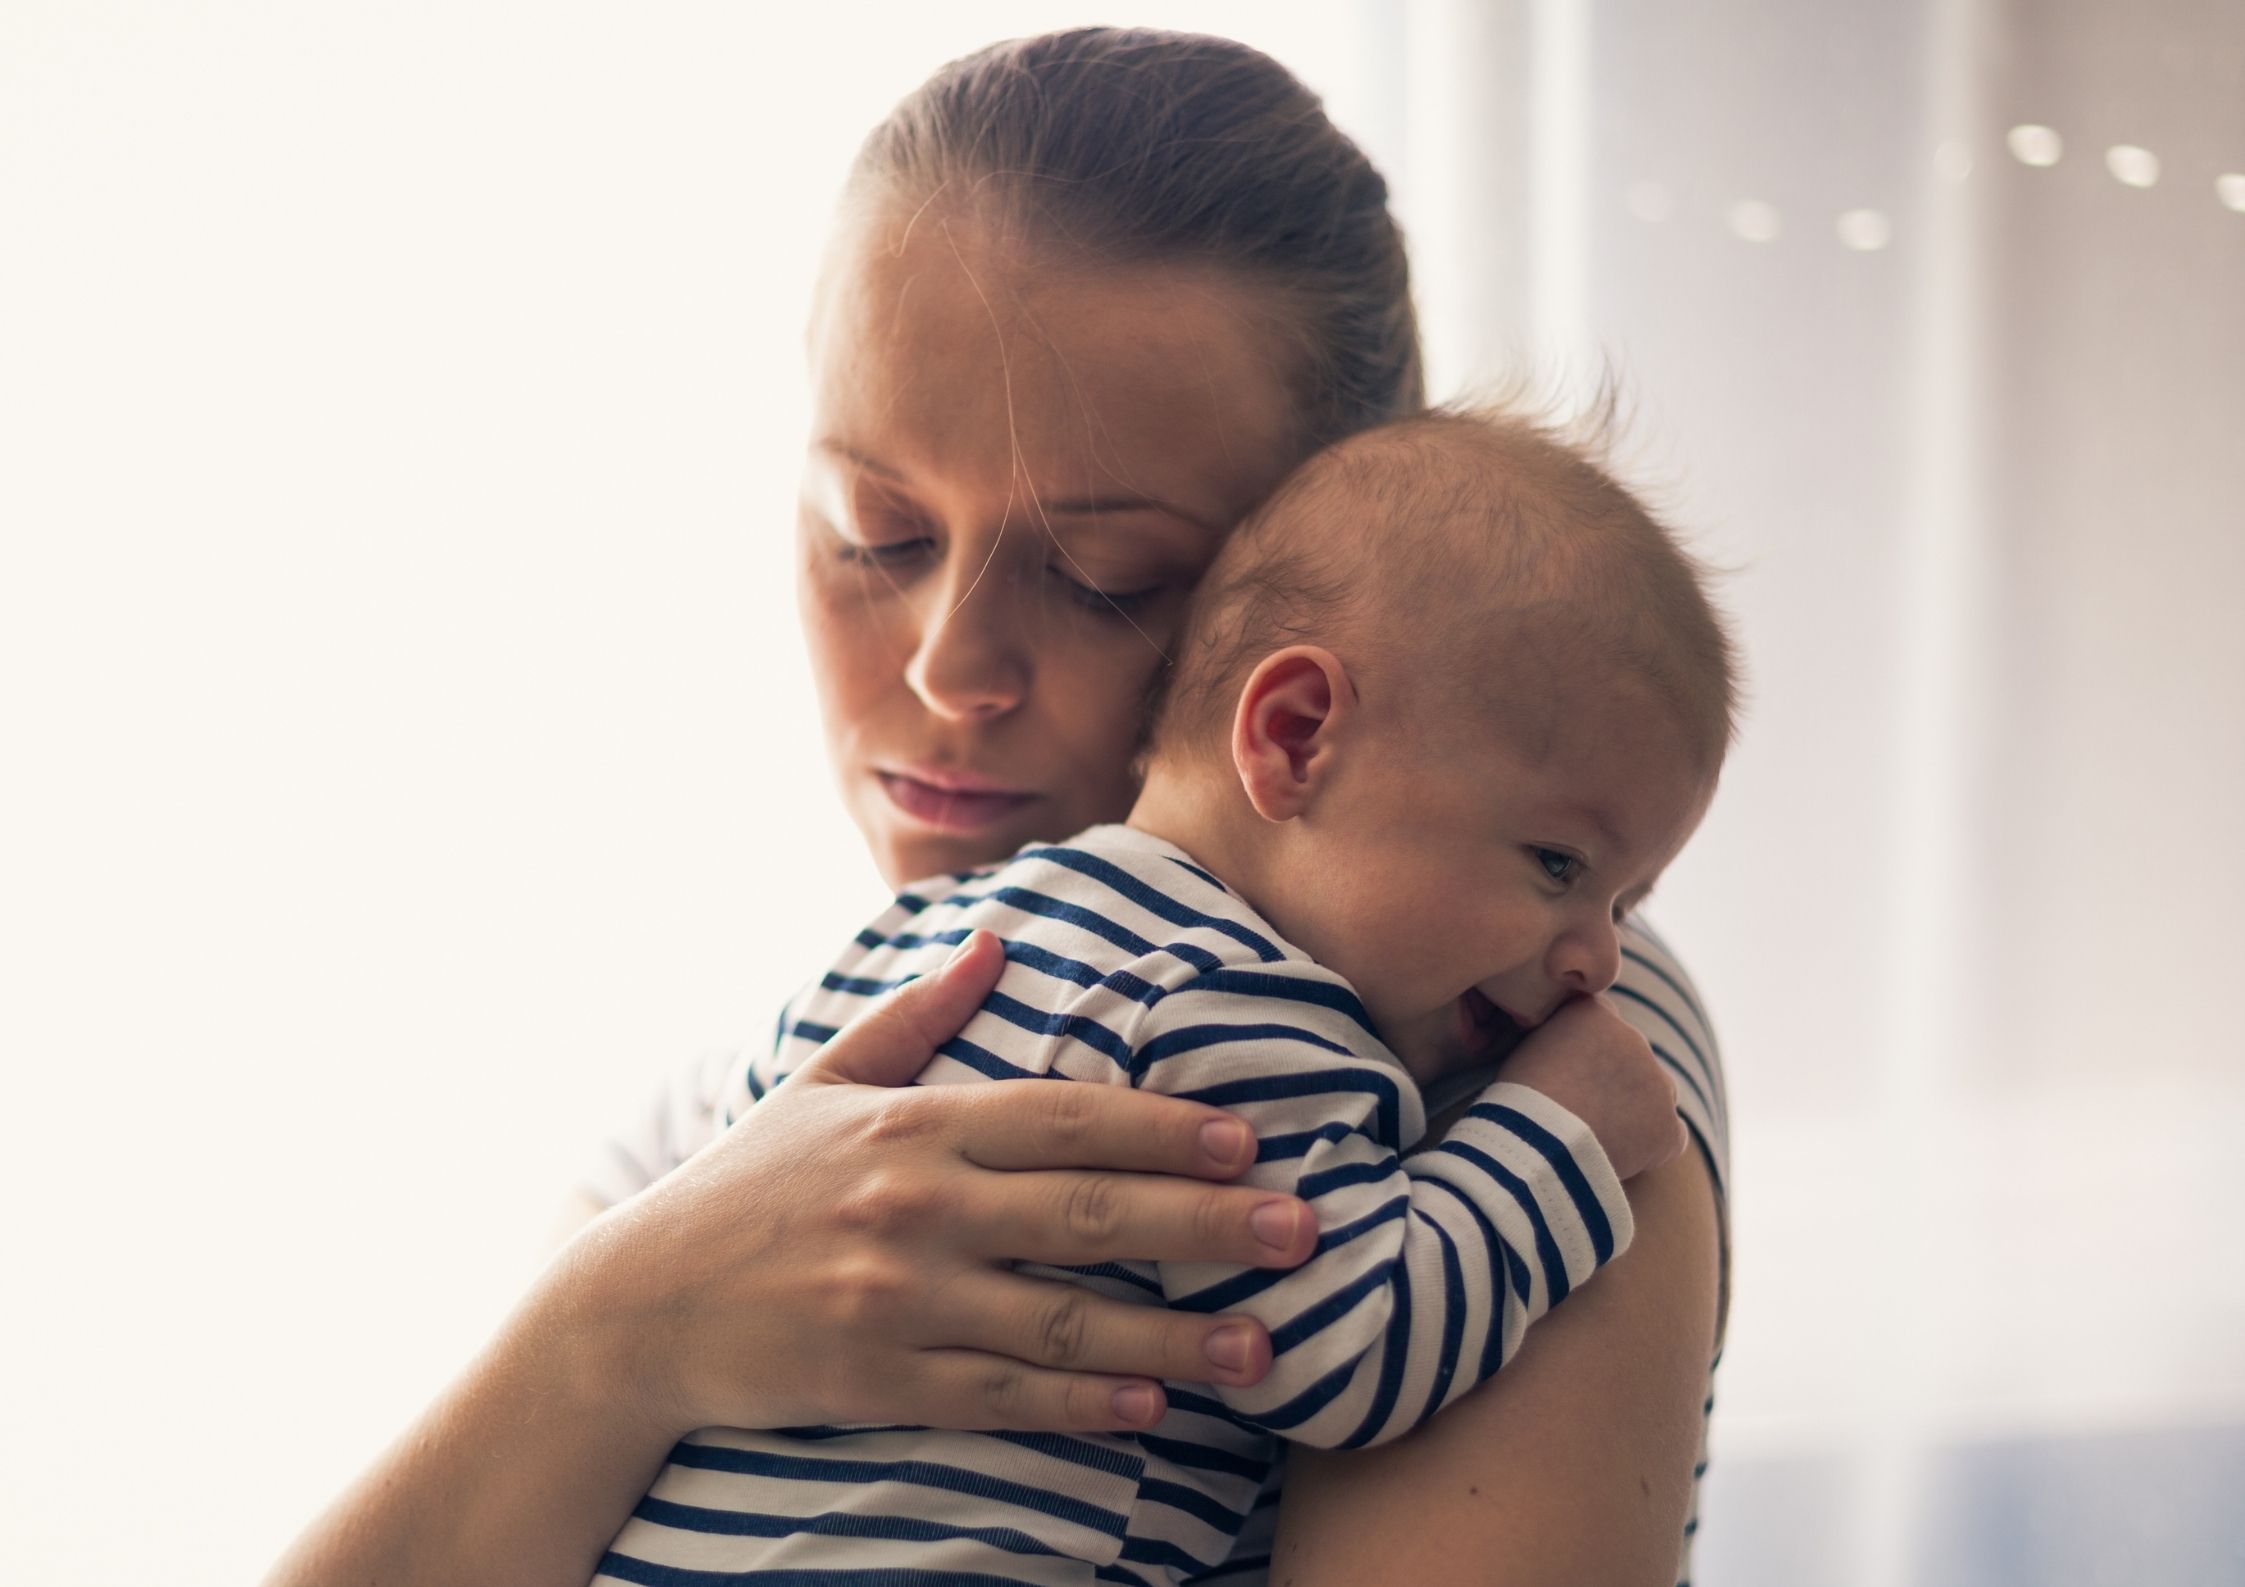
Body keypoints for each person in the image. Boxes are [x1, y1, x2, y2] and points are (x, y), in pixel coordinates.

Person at [265, 27, 1727, 1587]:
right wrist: (603, 1335)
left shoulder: (1513, 1016)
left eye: (1108, 576)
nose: (950, 662)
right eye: (873, 530)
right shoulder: (749, 1094)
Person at [595, 406, 1729, 1583]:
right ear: (1294, 738)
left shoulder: (915, 935)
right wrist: (1557, 1139)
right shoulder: (1241, 1005)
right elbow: (1349, 1356)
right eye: (1558, 866)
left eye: (1624, 905)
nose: (1596, 963)